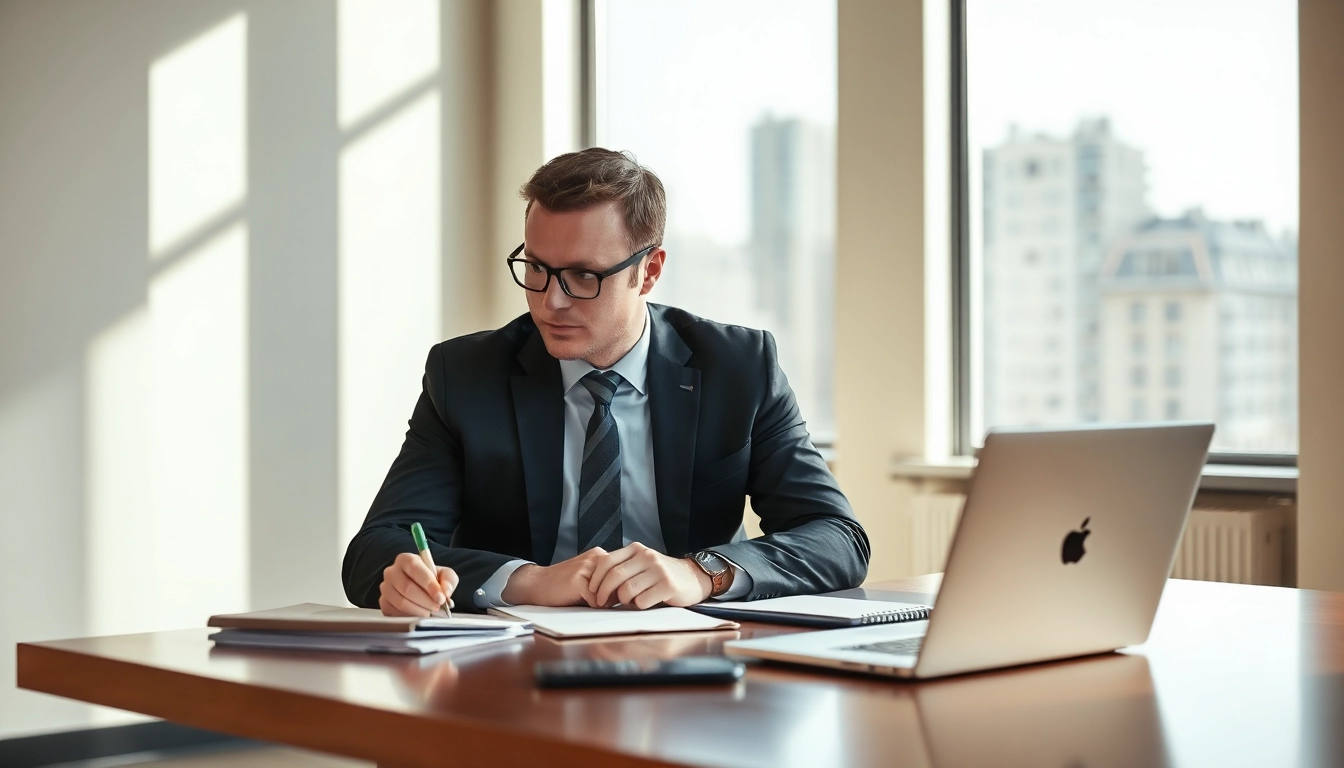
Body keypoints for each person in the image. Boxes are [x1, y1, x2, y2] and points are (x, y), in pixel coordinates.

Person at [342, 148, 869, 616]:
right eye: (537, 269)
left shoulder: (737, 367)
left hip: (696, 662)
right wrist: (529, 581)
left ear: (650, 270)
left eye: (583, 276)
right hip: (517, 667)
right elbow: (373, 552)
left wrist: (702, 573)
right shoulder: (466, 375)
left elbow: (837, 538)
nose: (551, 301)